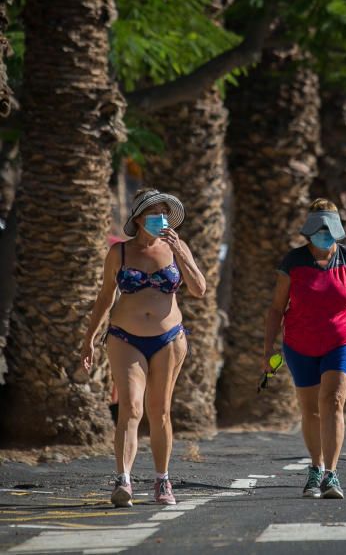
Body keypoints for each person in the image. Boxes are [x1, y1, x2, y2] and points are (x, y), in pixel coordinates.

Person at [263, 198, 346, 499]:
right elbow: (275, 309)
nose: (324, 234)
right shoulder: (293, 261)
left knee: (333, 400)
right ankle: (314, 468)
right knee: (310, 410)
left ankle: (331, 474)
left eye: (329, 228)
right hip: (300, 344)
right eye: (319, 228)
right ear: (310, 229)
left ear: (336, 229)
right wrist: (267, 349)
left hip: (344, 340)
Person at [80, 188, 206, 507]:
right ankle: (123, 479)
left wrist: (183, 253)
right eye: (154, 213)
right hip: (125, 336)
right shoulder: (119, 253)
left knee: (159, 410)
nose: (160, 219)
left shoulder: (175, 248)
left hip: (169, 339)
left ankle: (162, 480)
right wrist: (89, 338)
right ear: (137, 218)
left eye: (164, 213)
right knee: (131, 407)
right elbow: (105, 298)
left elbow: (199, 289)